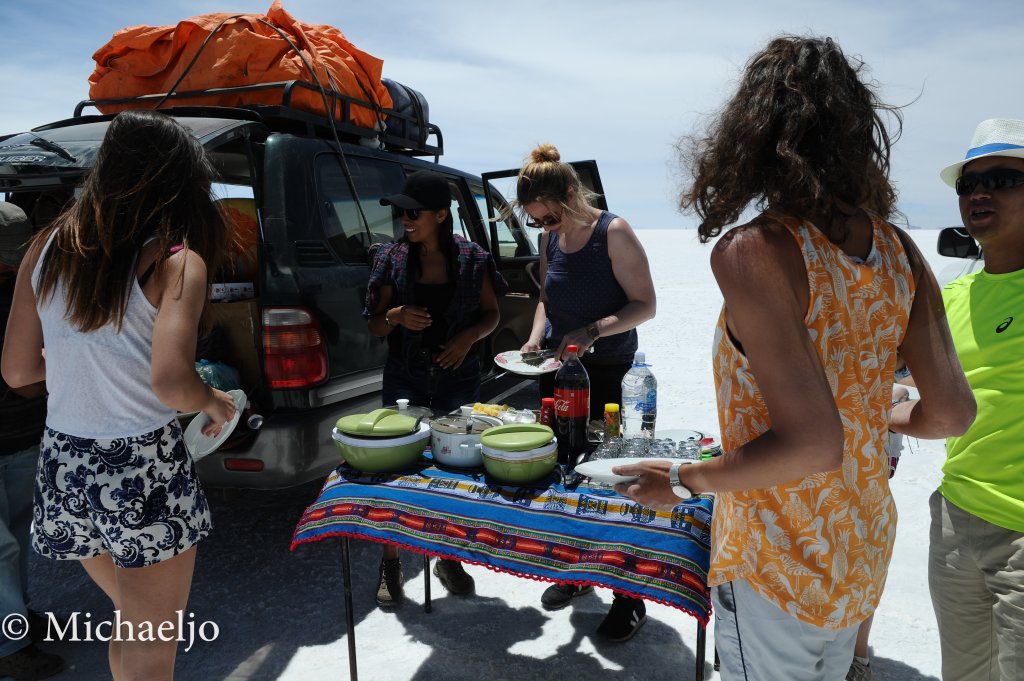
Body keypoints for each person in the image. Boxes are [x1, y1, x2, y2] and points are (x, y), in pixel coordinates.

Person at [616, 35, 976, 680]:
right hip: (861, 540)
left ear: (753, 134)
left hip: (778, 556)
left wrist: (680, 483)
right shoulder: (900, 251)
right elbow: (949, 413)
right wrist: (873, 416)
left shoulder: (757, 251)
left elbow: (811, 445)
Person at [1, 109, 236, 681]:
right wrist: (214, 401)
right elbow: (171, 382)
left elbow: (16, 371)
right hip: (141, 466)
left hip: (64, 464)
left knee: (131, 624)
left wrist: (80, 359)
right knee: (153, 646)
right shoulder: (177, 262)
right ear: (178, 184)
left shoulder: (44, 249)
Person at [515, 143, 657, 642]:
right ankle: (577, 573)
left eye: (550, 216)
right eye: (537, 222)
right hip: (559, 370)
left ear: (571, 195)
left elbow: (646, 304)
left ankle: (629, 596)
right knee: (565, 472)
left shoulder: (611, 232)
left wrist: (594, 331)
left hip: (611, 376)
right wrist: (537, 336)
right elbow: (546, 299)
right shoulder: (551, 241)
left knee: (612, 477)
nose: (546, 227)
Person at [363, 169, 507, 606]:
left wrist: (467, 340)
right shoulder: (390, 258)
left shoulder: (473, 258)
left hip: (457, 378)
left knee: (453, 471)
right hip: (404, 376)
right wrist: (396, 317)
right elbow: (373, 324)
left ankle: (447, 557)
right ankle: (391, 563)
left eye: (414, 212)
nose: (404, 219)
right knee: (392, 469)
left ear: (442, 215)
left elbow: (492, 315)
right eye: (401, 212)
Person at [928, 118, 1024, 681]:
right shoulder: (953, 296)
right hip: (956, 521)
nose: (978, 192)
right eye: (968, 184)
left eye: (1002, 179)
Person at [0, 202, 63, 679]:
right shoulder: (34, 290)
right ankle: (8, 647)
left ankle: (13, 619)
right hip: (23, 430)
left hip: (21, 438)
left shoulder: (28, 291)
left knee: (15, 539)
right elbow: (25, 377)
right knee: (5, 544)